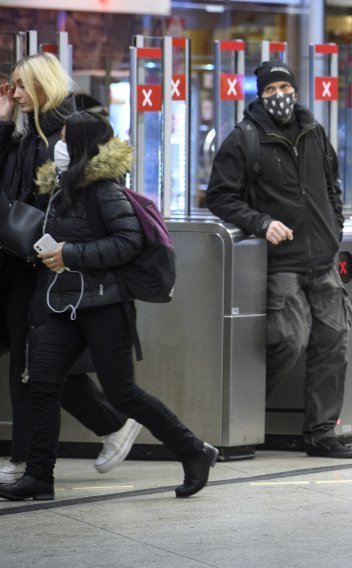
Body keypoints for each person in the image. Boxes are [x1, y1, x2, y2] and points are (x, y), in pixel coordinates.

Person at [0, 112, 217, 501]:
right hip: (62, 304)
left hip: (104, 304)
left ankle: (193, 451)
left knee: (123, 393)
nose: (58, 147)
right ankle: (38, 477)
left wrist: (72, 254)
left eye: (65, 139)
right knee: (42, 384)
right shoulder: (60, 187)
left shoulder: (105, 190)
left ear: (81, 144)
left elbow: (127, 242)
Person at [0, 53, 141, 485]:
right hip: (27, 262)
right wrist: (5, 121)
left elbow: (77, 202)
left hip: (53, 265)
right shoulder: (29, 134)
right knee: (40, 363)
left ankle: (30, 460)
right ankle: (105, 428)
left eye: (22, 87)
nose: (17, 94)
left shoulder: (68, 133)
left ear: (43, 86)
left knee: (35, 362)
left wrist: (62, 249)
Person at [205, 61, 352, 459]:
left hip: (322, 260)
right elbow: (220, 195)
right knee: (289, 339)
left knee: (333, 342)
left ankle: (321, 432)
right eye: (270, 90)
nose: (278, 96)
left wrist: (333, 227)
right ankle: (242, 418)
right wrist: (261, 222)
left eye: (284, 87)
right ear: (259, 95)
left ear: (295, 89)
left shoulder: (315, 133)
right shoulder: (245, 138)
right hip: (282, 261)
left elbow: (331, 184)